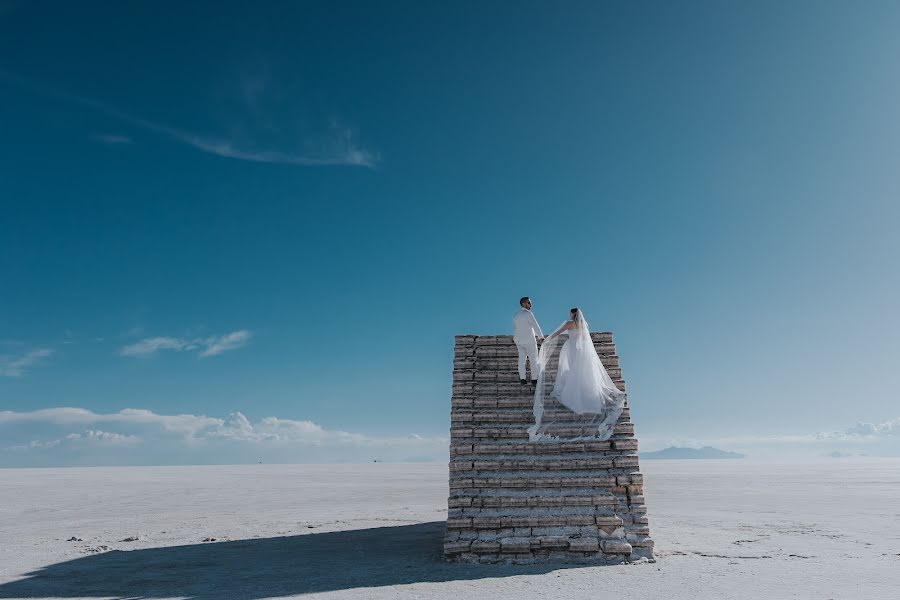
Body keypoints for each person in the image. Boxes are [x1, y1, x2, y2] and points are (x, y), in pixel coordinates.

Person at [529, 307, 626, 440]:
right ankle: (586, 393)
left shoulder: (569, 323)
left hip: (572, 348)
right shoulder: (584, 324)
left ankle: (575, 394)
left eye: (570, 313)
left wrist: (546, 340)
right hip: (584, 351)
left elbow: (558, 333)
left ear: (573, 314)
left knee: (572, 369)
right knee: (583, 371)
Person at [512, 297, 544, 385]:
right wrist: (541, 337)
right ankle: (534, 379)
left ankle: (522, 378)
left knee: (521, 360)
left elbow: (514, 329)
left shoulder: (515, 315)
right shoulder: (528, 314)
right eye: (529, 302)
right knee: (533, 359)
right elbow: (535, 325)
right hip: (529, 340)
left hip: (519, 341)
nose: (530, 304)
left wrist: (515, 339)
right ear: (523, 304)